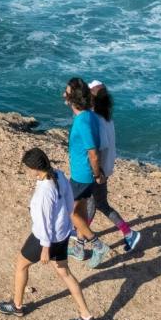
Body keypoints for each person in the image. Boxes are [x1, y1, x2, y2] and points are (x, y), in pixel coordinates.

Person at [0, 147, 100, 320]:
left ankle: (17, 306)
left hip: (44, 239)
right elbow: (69, 204)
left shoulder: (45, 191)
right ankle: (87, 317)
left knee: (21, 264)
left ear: (35, 168)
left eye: (28, 168)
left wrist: (45, 248)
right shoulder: (59, 175)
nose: (27, 172)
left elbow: (43, 222)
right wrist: (68, 228)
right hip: (61, 235)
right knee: (65, 273)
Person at [85, 82, 144, 254]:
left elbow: (100, 148)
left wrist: (97, 172)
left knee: (89, 204)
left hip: (98, 171)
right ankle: (128, 233)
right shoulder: (106, 116)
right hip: (106, 168)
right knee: (100, 204)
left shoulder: (95, 118)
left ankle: (80, 238)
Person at [62, 77, 109, 265]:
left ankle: (98, 246)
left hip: (83, 176)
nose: (63, 94)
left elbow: (93, 152)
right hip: (84, 175)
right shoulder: (88, 115)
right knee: (80, 211)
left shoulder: (82, 120)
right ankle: (79, 249)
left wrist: (98, 174)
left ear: (73, 97)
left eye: (66, 92)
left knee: (70, 212)